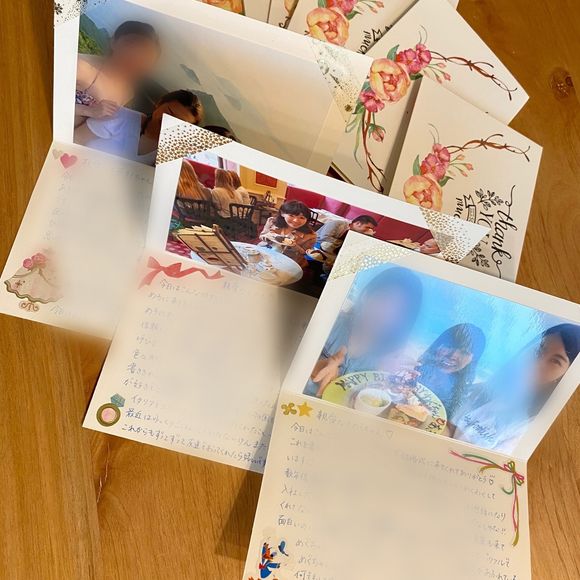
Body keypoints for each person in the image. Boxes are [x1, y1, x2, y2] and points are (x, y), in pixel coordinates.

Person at [452, 324, 580, 452]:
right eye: (539, 350)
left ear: (566, 374)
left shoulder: (534, 428)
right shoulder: (484, 388)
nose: (537, 363)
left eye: (556, 361)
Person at [305, 266, 423, 398]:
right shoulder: (330, 323)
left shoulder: (396, 359)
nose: (388, 314)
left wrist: (383, 377)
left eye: (401, 310)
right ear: (366, 295)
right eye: (384, 299)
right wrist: (312, 368)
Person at [74, 90, 203, 165]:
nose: (169, 123)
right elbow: (76, 139)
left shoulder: (169, 157)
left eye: (180, 124)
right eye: (169, 113)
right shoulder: (120, 117)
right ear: (159, 104)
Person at [75, 21, 161, 127]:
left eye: (144, 56)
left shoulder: (127, 92)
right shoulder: (81, 64)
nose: (136, 56)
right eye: (131, 45)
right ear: (114, 42)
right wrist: (89, 111)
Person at [415, 324, 486, 417]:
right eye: (449, 346)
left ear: (472, 360)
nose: (452, 356)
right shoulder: (410, 369)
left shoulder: (464, 397)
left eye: (464, 352)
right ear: (438, 345)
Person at [259, 200, 316, 268]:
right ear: (282, 213)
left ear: (307, 220)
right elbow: (261, 236)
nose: (296, 220)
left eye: (302, 217)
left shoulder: (310, 235)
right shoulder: (272, 221)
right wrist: (268, 236)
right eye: (291, 215)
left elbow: (304, 253)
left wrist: (294, 245)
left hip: (287, 260)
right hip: (264, 252)